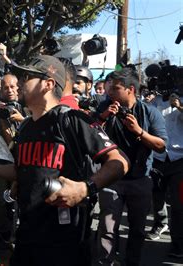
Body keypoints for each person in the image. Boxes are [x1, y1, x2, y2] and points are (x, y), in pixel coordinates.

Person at [0, 55, 129, 266]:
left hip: (65, 242)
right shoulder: (26, 127)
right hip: (27, 236)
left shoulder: (72, 119)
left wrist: (85, 188)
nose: (17, 82)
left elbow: (119, 162)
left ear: (48, 84)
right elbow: (24, 170)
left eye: (25, 77)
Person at [96, 68, 168, 266]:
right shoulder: (104, 107)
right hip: (111, 178)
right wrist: (102, 118)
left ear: (130, 89)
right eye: (109, 88)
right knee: (107, 227)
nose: (110, 92)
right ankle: (106, 262)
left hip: (140, 179)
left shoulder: (149, 112)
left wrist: (138, 131)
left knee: (137, 229)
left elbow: (161, 146)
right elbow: (89, 136)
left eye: (116, 88)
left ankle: (132, 262)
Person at [147, 89, 183, 258]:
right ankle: (160, 223)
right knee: (157, 194)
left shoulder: (180, 100)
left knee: (178, 203)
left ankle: (177, 243)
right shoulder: (155, 101)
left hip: (179, 158)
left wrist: (180, 106)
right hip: (158, 156)